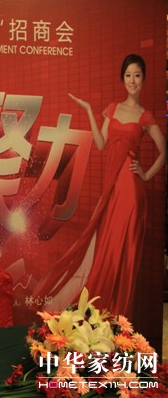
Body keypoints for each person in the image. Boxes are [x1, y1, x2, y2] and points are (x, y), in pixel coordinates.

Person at [34, 54, 165, 317]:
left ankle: (118, 314)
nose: (132, 80)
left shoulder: (145, 116)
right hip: (111, 190)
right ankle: (101, 313)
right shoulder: (112, 109)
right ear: (122, 78)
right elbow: (102, 143)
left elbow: (164, 151)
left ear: (143, 79)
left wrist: (146, 174)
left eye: (137, 75)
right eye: (128, 75)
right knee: (107, 248)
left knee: (123, 253)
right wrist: (88, 111)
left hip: (131, 193)